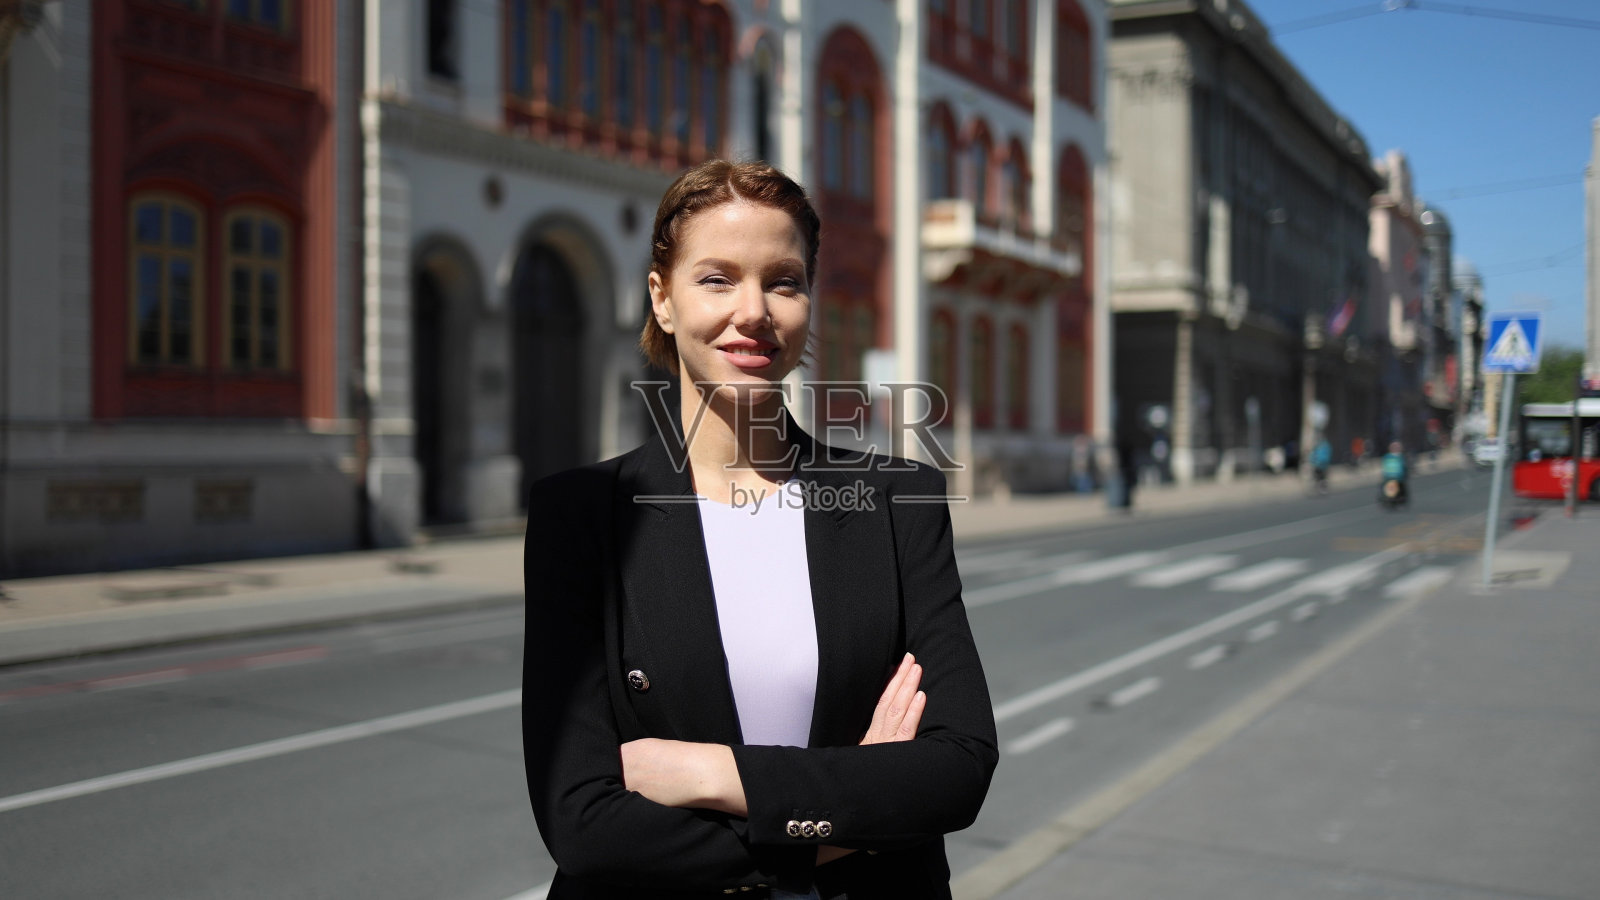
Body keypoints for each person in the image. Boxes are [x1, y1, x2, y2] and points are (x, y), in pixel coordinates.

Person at [522, 160, 998, 899]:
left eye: (784, 281)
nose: (755, 312)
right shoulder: (581, 515)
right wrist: (855, 813)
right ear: (663, 298)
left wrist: (717, 774)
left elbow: (957, 769)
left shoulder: (897, 499)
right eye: (717, 279)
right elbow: (584, 822)